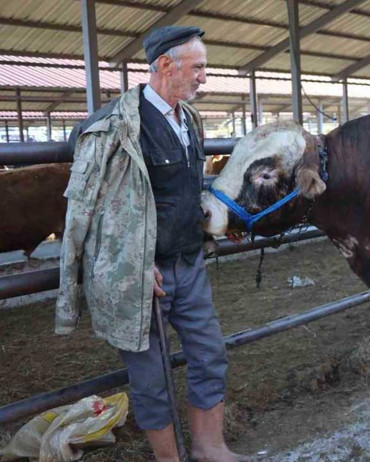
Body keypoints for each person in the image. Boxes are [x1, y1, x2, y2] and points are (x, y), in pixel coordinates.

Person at [57, 26, 246, 462]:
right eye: (198, 67)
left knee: (210, 353)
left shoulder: (189, 119)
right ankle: (169, 458)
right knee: (151, 374)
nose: (204, 77)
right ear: (166, 65)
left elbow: (186, 188)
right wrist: (134, 263)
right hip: (142, 277)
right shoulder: (116, 125)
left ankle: (210, 447)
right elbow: (91, 208)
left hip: (188, 262)